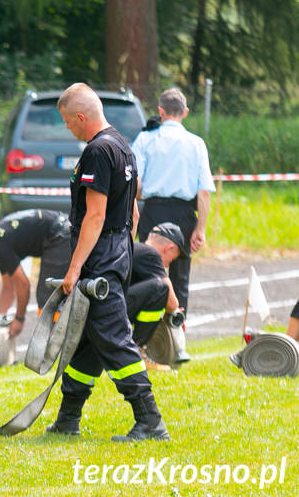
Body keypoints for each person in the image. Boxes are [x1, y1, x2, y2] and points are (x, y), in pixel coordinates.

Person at [48, 82, 168, 442]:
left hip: (100, 255)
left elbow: (95, 216)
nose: (70, 130)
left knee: (114, 339)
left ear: (81, 117)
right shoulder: (122, 145)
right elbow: (132, 208)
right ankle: (68, 418)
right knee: (87, 339)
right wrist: (122, 252)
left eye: (69, 123)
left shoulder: (98, 151)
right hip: (117, 250)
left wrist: (74, 270)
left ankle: (149, 420)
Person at [131, 88, 215, 335]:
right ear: (185, 112)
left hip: (153, 210)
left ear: (160, 111)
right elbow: (204, 192)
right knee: (180, 278)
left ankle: (146, 330)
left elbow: (135, 183)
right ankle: (178, 333)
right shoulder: (197, 143)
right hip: (184, 214)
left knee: (146, 270)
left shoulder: (145, 140)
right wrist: (200, 228)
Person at [0, 209, 71, 339]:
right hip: (62, 228)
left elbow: (23, 284)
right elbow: (8, 288)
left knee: (47, 296)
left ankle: (49, 342)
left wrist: (19, 319)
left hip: (59, 235)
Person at [126, 222, 184, 348]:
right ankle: (138, 349)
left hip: (105, 307)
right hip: (113, 310)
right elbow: (172, 303)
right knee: (160, 290)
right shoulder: (150, 254)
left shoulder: (136, 249)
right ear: (168, 248)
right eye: (171, 259)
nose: (168, 265)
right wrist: (173, 312)